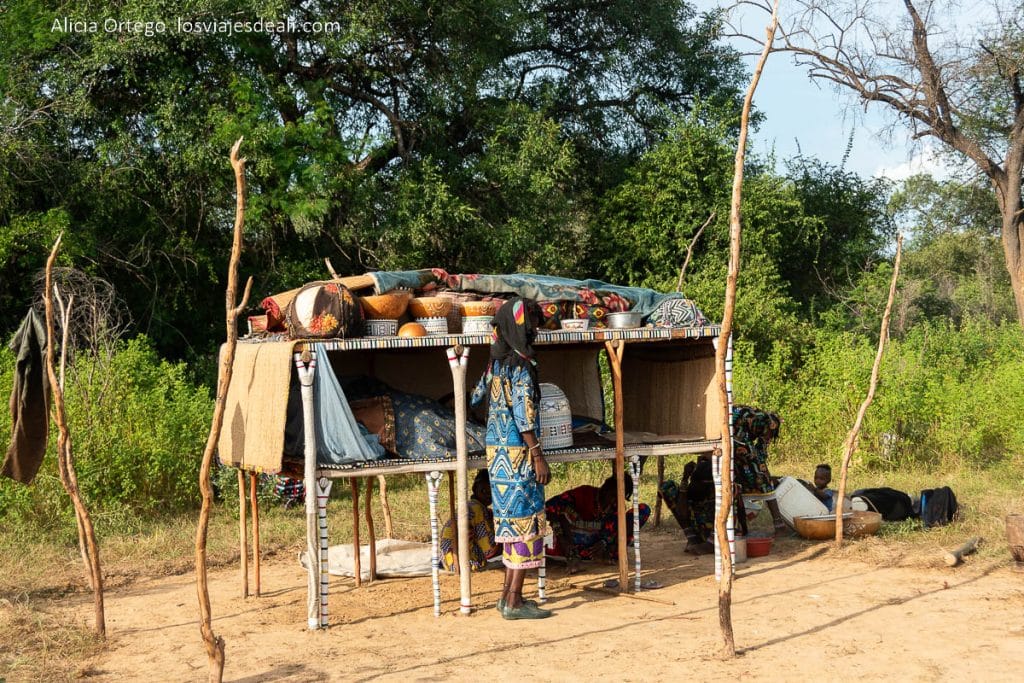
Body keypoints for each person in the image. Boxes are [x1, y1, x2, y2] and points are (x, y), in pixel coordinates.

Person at [471, 297, 552, 620]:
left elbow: (477, 397)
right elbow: (524, 415)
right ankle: (515, 602)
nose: (534, 330)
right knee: (526, 525)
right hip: (519, 455)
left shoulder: (495, 365)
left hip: (497, 455)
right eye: (531, 323)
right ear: (519, 326)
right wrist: (537, 455)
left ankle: (507, 597)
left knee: (509, 525)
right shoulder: (521, 367)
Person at [546, 474, 650, 573]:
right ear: (605, 488)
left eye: (620, 497)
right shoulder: (583, 493)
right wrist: (563, 540)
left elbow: (612, 530)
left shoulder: (615, 506)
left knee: (643, 510)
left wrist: (605, 543)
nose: (614, 500)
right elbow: (550, 506)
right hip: (571, 544)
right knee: (560, 514)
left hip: (596, 549)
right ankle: (572, 556)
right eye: (613, 495)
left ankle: (600, 555)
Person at [439, 470, 500, 573]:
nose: (487, 495)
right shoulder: (477, 509)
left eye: (491, 493)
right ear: (474, 488)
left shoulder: (471, 505)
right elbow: (488, 548)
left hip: (447, 560)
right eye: (484, 491)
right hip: (462, 563)